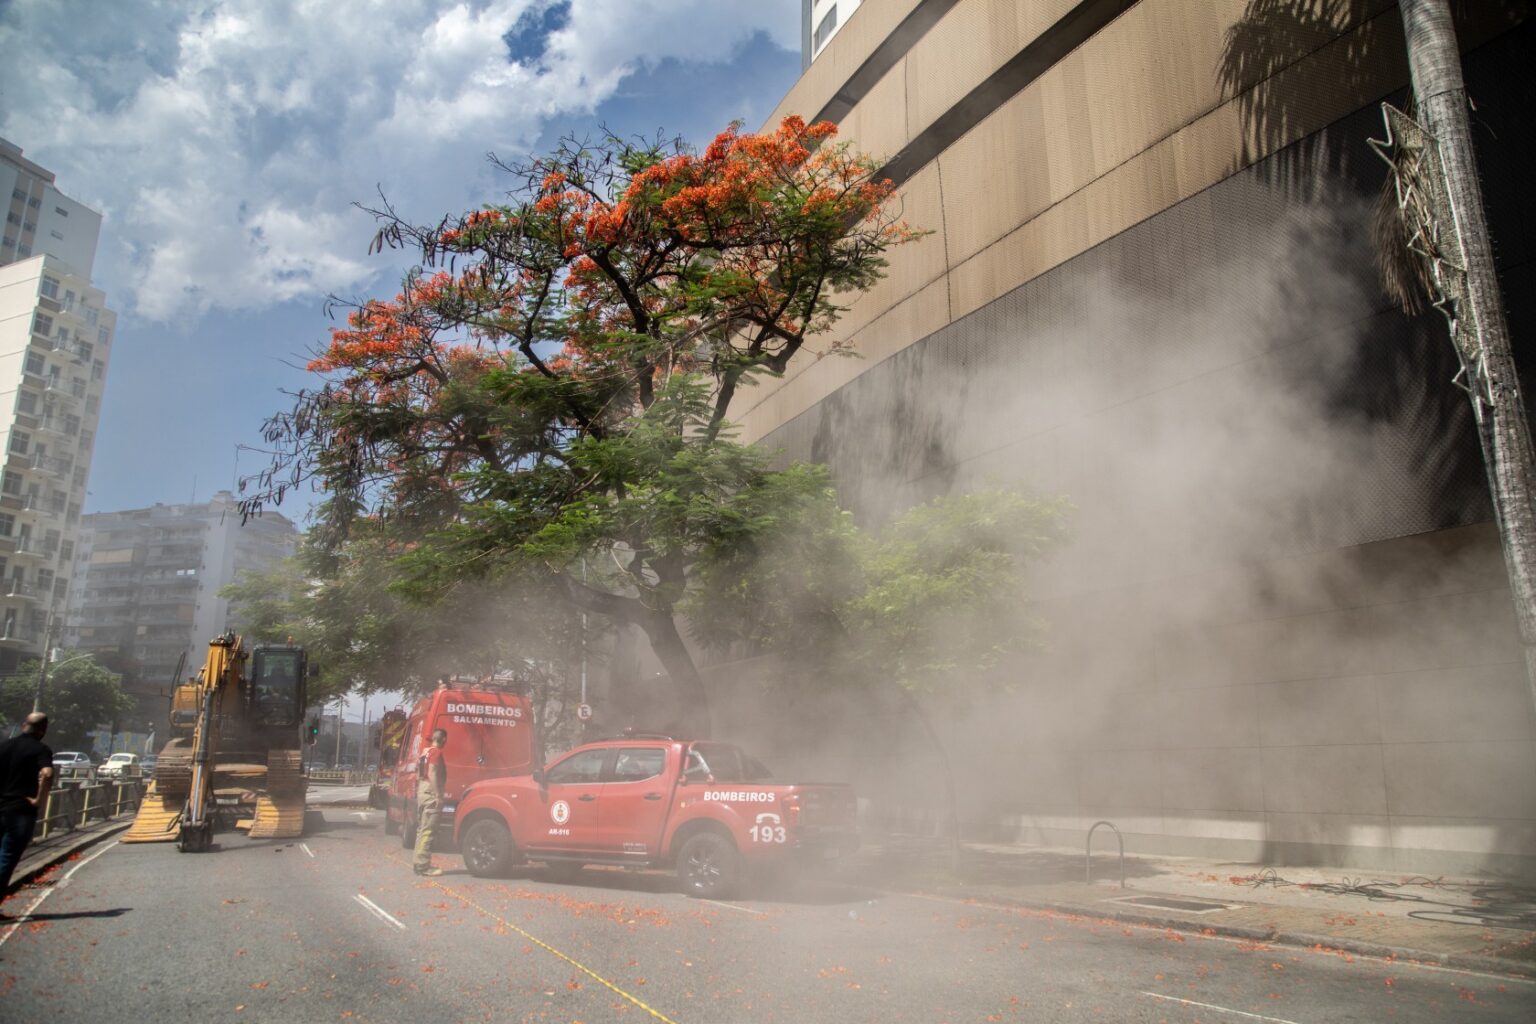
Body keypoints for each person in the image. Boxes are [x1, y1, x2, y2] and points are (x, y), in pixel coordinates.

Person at [0, 713, 55, 904]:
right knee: (6, 858)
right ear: (43, 729)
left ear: (24, 725)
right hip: (20, 811)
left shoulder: (4, 745)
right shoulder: (40, 749)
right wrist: (39, 800)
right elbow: (47, 774)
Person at [413, 727, 448, 877]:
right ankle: (423, 866)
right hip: (430, 792)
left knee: (421, 829)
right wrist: (438, 795)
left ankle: (418, 862)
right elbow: (432, 772)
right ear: (444, 739)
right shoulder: (436, 753)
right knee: (428, 830)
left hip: (422, 791)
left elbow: (419, 773)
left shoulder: (425, 752)